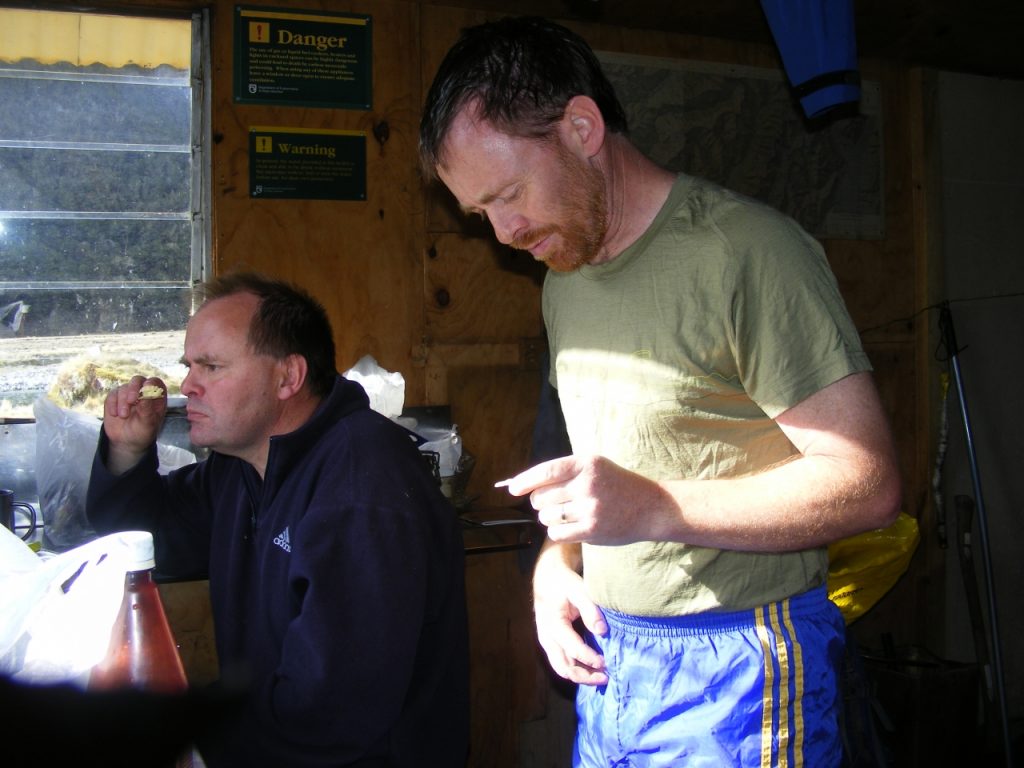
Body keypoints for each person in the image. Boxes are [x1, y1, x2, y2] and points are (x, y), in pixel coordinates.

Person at [420, 16, 902, 768]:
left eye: (508, 193)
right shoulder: (564, 281)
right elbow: (602, 478)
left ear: (581, 126)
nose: (503, 232)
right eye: (481, 213)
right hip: (615, 664)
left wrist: (657, 507)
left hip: (743, 666)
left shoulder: (748, 252)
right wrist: (558, 568)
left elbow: (868, 485)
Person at [86, 272, 469, 768]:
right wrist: (127, 450)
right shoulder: (242, 465)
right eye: (189, 366)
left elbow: (328, 712)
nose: (187, 387)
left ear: (287, 377)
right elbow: (148, 541)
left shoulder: (360, 489)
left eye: (212, 367)